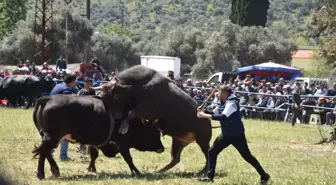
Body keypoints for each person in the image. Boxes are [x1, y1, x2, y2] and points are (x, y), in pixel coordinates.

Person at [196, 85, 270, 184]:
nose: (217, 94)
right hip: (226, 135)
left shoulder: (232, 103)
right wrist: (204, 111)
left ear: (226, 94)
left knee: (247, 156)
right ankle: (210, 177)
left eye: (220, 92)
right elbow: (214, 112)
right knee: (212, 152)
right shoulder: (222, 102)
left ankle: (264, 176)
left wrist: (204, 115)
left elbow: (223, 117)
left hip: (236, 135)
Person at [50, 74, 77, 161]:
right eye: (74, 81)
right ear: (72, 82)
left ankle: (51, 153)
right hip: (59, 115)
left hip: (50, 113)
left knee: (55, 135)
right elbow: (69, 104)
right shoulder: (66, 90)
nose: (75, 83)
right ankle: (63, 155)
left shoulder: (59, 85)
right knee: (64, 134)